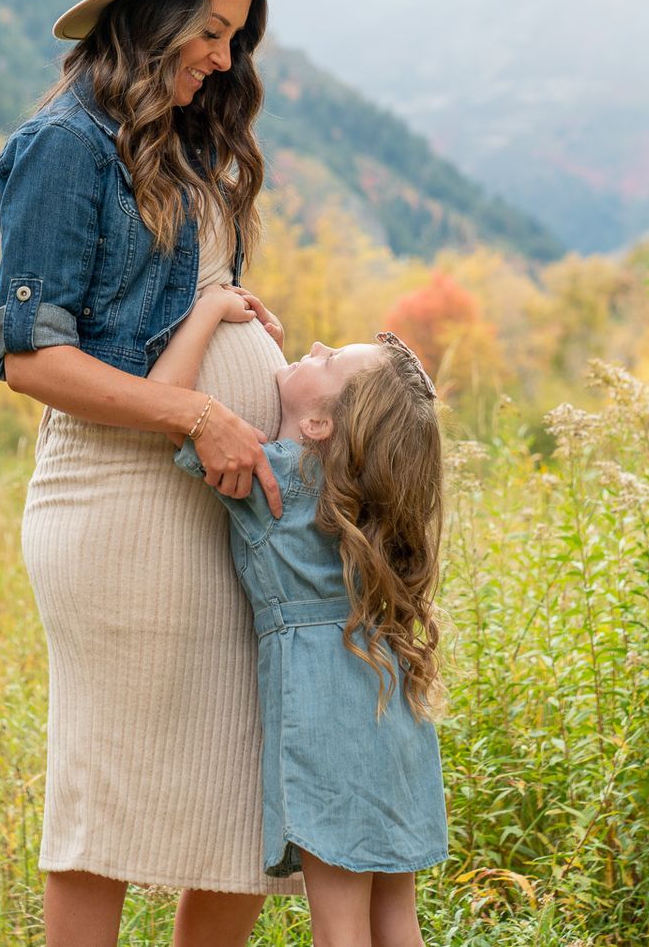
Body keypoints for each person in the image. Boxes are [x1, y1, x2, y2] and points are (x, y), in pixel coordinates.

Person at [0, 0, 302, 946]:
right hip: (118, 507)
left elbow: (187, 307)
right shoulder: (64, 147)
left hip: (211, 505)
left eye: (234, 36)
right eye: (208, 29)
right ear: (149, 18)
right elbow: (33, 355)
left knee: (244, 789)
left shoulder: (190, 145)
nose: (222, 55)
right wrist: (202, 411)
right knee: (105, 798)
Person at [153, 305, 450, 947]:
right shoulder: (350, 498)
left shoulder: (273, 476)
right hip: (388, 702)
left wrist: (206, 311)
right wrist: (275, 353)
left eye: (328, 361)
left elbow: (167, 401)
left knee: (339, 928)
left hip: (330, 719)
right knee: (396, 921)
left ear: (317, 423)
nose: (314, 346)